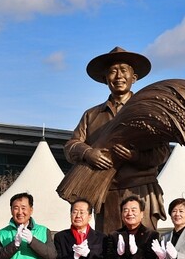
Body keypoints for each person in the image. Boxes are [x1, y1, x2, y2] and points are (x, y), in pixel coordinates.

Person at [64, 46, 169, 232]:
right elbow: (71, 146)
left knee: (143, 250)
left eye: (123, 70)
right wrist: (88, 153)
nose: (118, 76)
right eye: (113, 71)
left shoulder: (149, 112)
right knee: (108, 249)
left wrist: (135, 156)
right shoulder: (92, 115)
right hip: (106, 192)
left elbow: (162, 153)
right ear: (105, 79)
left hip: (140, 190)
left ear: (133, 77)